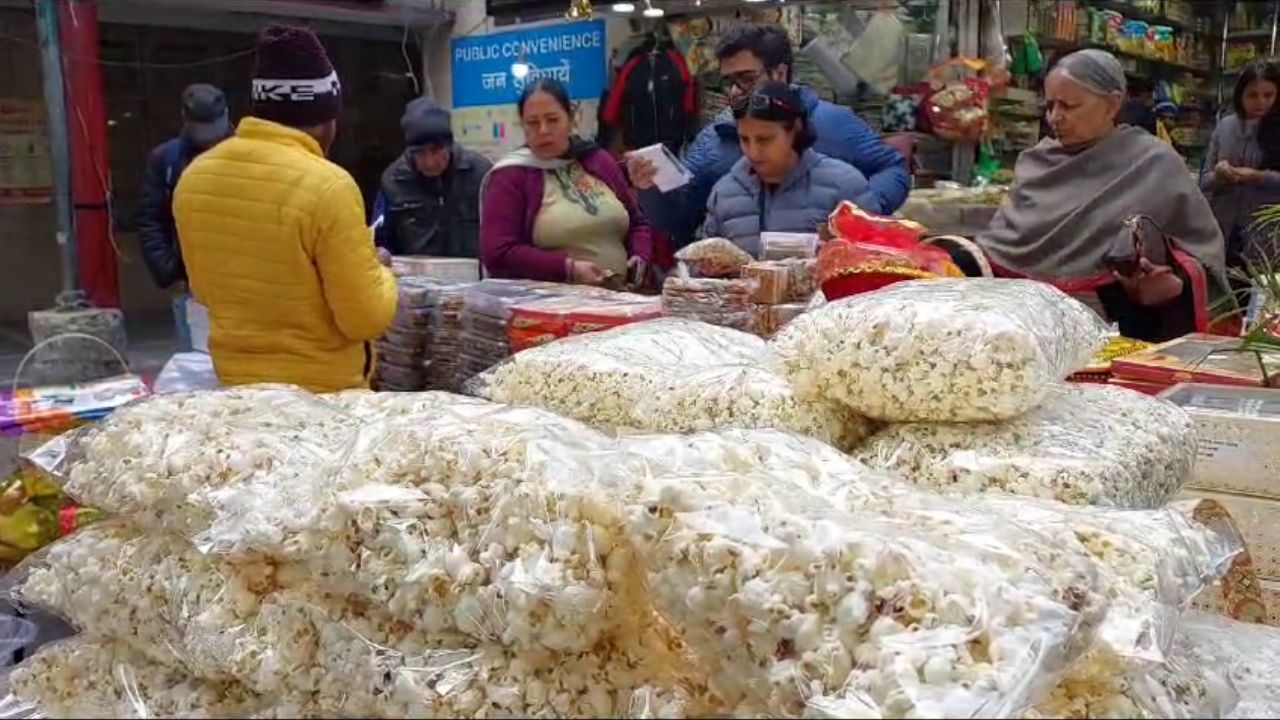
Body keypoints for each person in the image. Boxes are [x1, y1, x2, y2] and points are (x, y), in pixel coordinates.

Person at [173, 24, 397, 392]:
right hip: (323, 398)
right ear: (327, 121)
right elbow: (365, 318)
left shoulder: (195, 178)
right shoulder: (329, 186)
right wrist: (380, 270)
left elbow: (204, 292)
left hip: (237, 387)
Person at [953, 49, 1226, 343]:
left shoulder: (1153, 163)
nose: (1056, 117)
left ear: (1111, 105)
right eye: (1050, 106)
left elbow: (1203, 255)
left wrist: (1174, 285)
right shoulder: (1035, 163)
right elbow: (999, 248)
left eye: (1069, 106)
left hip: (1114, 337)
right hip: (1020, 333)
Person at [626, 24, 909, 247]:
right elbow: (680, 219)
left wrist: (859, 212)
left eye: (747, 78)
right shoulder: (713, 138)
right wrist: (652, 188)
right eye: (728, 82)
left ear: (780, 73)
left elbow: (894, 167)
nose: (736, 90)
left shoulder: (833, 123)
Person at [480, 78, 652, 286]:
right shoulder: (511, 176)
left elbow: (637, 223)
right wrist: (567, 269)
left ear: (570, 120)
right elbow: (498, 252)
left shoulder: (596, 159)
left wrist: (639, 257)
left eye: (552, 120)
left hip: (621, 299)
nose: (543, 130)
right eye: (533, 123)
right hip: (547, 307)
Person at [702, 82, 876, 256]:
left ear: (796, 130)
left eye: (765, 139)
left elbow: (878, 259)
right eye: (744, 139)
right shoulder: (724, 193)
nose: (753, 152)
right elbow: (700, 271)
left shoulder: (845, 186)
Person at [136, 84, 232, 352]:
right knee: (198, 362)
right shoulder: (166, 160)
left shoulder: (251, 154)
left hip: (247, 279)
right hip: (191, 284)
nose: (210, 136)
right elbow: (151, 219)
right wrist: (167, 269)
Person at [373, 99, 492, 258]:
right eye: (420, 153)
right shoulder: (393, 181)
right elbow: (379, 238)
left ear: (449, 145)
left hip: (473, 272)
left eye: (436, 151)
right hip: (416, 276)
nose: (429, 162)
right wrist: (381, 252)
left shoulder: (481, 174)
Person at [1201, 60, 1280, 282]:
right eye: (1252, 95)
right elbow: (1203, 182)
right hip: (1224, 230)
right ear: (1240, 95)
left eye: (1268, 94)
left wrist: (1257, 177)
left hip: (1268, 238)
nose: (1261, 102)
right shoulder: (1225, 127)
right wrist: (1219, 175)